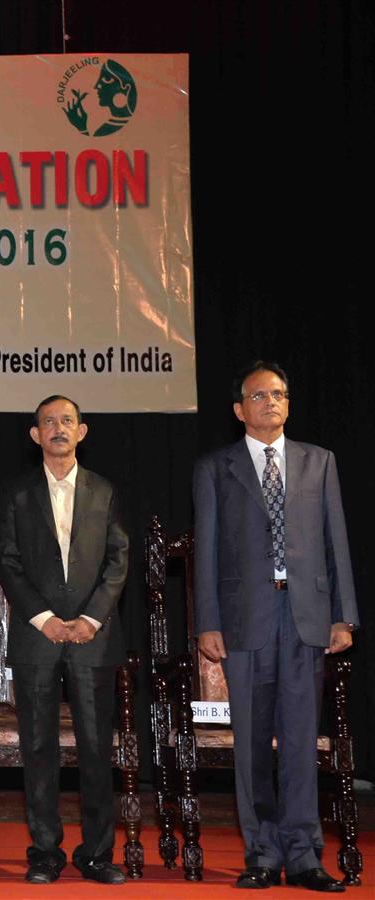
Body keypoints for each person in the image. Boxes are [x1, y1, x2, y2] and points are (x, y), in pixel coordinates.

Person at [194, 361, 357, 893]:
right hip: (244, 624)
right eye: (259, 395)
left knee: (300, 742)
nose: (271, 402)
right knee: (251, 750)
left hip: (306, 619)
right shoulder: (216, 468)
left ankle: (306, 856)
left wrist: (343, 614)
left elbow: (337, 542)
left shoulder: (319, 462)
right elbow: (207, 553)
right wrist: (208, 623)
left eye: (279, 394)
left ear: (289, 403)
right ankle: (262, 854)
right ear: (240, 409)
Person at [0, 395, 129, 886]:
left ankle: (96, 854)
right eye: (48, 422)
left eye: (66, 421)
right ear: (35, 436)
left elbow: (118, 559)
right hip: (38, 637)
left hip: (94, 637)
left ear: (82, 431)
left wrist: (91, 618)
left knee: (96, 748)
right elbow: (8, 560)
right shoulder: (16, 492)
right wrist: (44, 617)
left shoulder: (104, 490)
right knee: (38, 748)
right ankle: (45, 852)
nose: (57, 428)